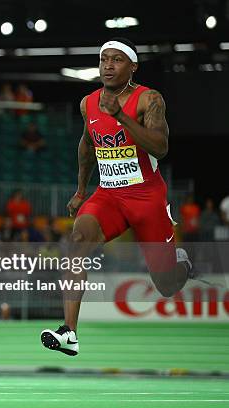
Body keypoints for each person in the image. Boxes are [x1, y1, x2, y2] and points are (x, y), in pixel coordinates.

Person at [41, 38, 192, 356]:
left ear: (133, 66)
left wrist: (122, 117)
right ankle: (69, 332)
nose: (108, 65)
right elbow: (87, 145)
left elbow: (160, 148)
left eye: (117, 60)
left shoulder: (148, 99)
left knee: (165, 284)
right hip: (108, 194)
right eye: (103, 59)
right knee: (78, 238)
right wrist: (81, 190)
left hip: (146, 197)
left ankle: (182, 265)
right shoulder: (88, 103)